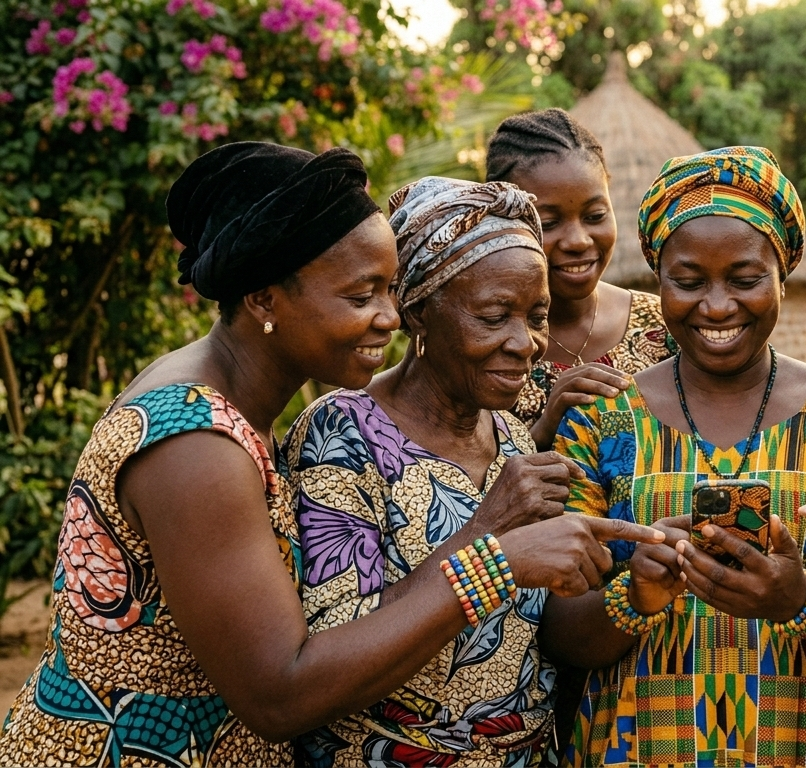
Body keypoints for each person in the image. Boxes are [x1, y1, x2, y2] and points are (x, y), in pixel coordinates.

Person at [0, 144, 663, 766]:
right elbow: (280, 693)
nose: (390, 317)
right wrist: (493, 556)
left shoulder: (230, 410)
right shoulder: (195, 443)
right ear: (265, 298)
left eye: (391, 290)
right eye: (361, 295)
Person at [540, 147, 806, 767]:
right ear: (656, 279)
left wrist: (799, 601)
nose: (717, 307)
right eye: (688, 282)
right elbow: (558, 629)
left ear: (783, 276)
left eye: (745, 280)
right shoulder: (603, 421)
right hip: (644, 747)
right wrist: (632, 595)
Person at [282, 178, 663, 765]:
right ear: (417, 314)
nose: (526, 342)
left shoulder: (512, 436)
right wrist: (488, 534)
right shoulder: (342, 433)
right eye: (493, 316)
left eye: (536, 315)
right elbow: (328, 662)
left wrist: (629, 576)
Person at [486, 109, 672, 450]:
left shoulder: (664, 328)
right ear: (502, 220)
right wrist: (545, 429)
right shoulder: (482, 345)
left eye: (595, 216)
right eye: (549, 222)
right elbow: (458, 484)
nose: (579, 241)